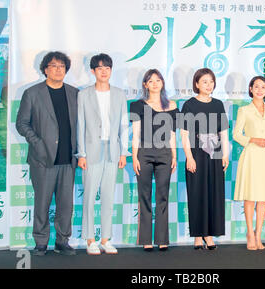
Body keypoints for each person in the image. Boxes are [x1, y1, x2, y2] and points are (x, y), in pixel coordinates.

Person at [16, 51, 78, 256]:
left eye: (62, 66)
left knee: (66, 204)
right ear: (45, 69)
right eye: (53, 66)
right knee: (42, 202)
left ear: (66, 70)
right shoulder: (32, 93)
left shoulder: (74, 93)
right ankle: (41, 242)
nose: (58, 69)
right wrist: (37, 143)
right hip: (42, 159)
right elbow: (22, 123)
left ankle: (62, 241)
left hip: (68, 159)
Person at [76, 53, 128, 255]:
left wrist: (124, 152)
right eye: (100, 68)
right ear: (92, 71)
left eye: (107, 67)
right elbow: (81, 125)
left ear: (111, 70)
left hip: (113, 151)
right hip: (91, 151)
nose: (104, 71)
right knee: (89, 196)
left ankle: (105, 239)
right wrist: (81, 153)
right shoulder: (84, 94)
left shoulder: (119, 94)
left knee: (108, 196)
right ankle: (90, 240)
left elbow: (124, 124)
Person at [180, 68, 230, 250]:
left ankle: (209, 235)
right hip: (196, 153)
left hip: (215, 152)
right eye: (204, 82)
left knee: (214, 195)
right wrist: (189, 157)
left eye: (211, 81)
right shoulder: (189, 105)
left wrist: (225, 154)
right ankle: (197, 236)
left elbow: (224, 132)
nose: (209, 85)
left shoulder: (218, 104)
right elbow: (184, 135)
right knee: (196, 194)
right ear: (196, 84)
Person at [130, 69, 178, 251]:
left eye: (158, 80)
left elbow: (173, 134)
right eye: (151, 81)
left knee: (163, 196)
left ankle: (162, 239)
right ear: (145, 85)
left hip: (165, 154)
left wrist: (174, 155)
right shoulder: (137, 105)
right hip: (144, 153)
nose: (155, 83)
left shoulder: (172, 106)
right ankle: (145, 240)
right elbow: (135, 134)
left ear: (163, 83)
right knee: (144, 196)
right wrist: (134, 156)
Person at [233, 76, 265, 250]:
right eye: (256, 87)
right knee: (251, 196)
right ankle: (249, 233)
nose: (260, 90)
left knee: (263, 197)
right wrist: (253, 139)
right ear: (251, 89)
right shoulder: (244, 110)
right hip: (252, 154)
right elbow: (237, 134)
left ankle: (258, 234)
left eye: (263, 87)